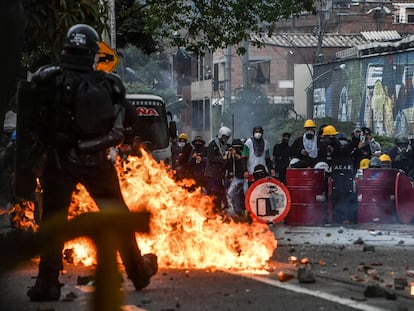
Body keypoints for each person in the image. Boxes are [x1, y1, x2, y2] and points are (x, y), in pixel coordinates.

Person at [22, 24, 157, 301]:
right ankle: (138, 274)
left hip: (58, 161)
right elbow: (130, 119)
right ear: (94, 54)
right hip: (96, 163)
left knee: (53, 221)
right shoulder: (108, 84)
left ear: (67, 50)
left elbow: (29, 118)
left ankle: (47, 282)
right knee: (118, 217)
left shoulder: (48, 79)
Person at [205, 126, 232, 212]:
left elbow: (228, 160)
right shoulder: (213, 144)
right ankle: (210, 210)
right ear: (220, 135)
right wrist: (221, 159)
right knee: (212, 192)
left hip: (221, 174)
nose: (225, 139)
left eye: (227, 138)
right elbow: (210, 157)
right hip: (212, 173)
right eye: (224, 137)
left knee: (220, 192)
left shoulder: (227, 146)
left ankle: (217, 209)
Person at [225, 138, 247, 217]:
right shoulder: (231, 155)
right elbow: (227, 165)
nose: (236, 149)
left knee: (246, 192)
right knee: (231, 193)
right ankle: (237, 211)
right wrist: (230, 156)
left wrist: (239, 156)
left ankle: (247, 210)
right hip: (236, 177)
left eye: (238, 147)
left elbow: (245, 162)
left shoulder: (244, 153)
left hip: (245, 178)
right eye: (235, 147)